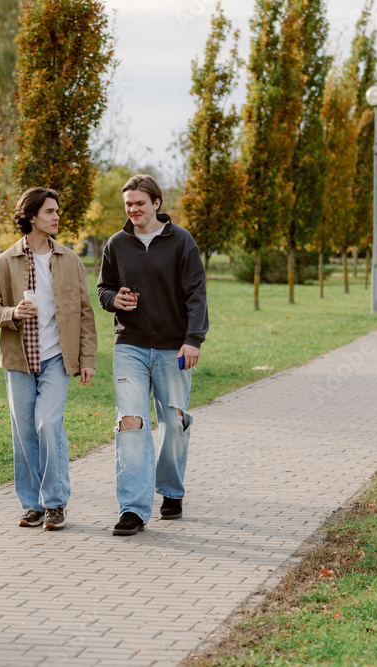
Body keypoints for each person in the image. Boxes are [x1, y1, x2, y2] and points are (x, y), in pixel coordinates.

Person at [97, 174, 209, 536]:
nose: (133, 210)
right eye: (128, 204)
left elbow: (196, 293)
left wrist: (193, 339)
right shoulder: (117, 243)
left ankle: (171, 490)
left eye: (139, 203)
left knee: (175, 423)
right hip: (129, 344)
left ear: (156, 203)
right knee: (130, 422)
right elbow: (103, 288)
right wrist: (114, 299)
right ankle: (133, 508)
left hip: (173, 347)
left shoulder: (181, 241)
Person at [0, 187, 97, 531]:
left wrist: (87, 359)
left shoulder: (70, 260)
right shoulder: (5, 262)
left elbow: (85, 313)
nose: (56, 216)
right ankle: (32, 505)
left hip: (57, 358)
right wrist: (13, 313)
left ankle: (55, 502)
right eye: (50, 211)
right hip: (19, 360)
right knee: (24, 433)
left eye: (57, 211)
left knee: (48, 423)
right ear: (31, 217)